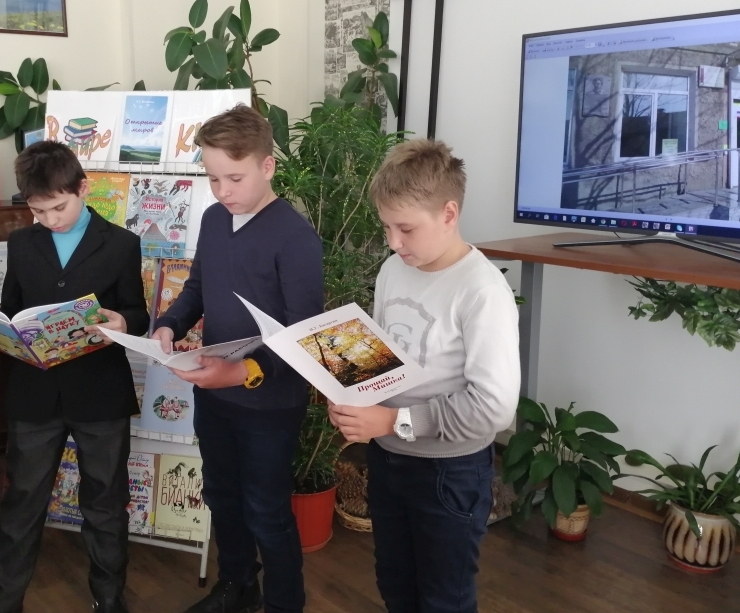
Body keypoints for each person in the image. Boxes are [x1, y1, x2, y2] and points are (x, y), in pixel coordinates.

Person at [0, 141, 149, 613]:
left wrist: (123, 322)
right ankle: (1, 601)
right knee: (22, 500)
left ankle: (109, 598)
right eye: (38, 211)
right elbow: (13, 311)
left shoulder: (121, 243)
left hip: (100, 392)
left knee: (105, 502)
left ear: (83, 188)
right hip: (35, 392)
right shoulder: (23, 242)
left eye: (58, 208)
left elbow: (137, 312)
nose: (50, 220)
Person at [328, 139, 520, 613]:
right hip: (388, 461)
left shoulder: (482, 291)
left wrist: (391, 421)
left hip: (448, 473)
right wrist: (348, 389)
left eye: (406, 228)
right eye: (386, 227)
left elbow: (494, 409)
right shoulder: (393, 270)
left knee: (443, 599)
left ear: (449, 213)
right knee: (395, 585)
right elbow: (382, 361)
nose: (393, 242)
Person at [152, 105, 324, 613]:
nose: (222, 191)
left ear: (267, 167)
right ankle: (237, 585)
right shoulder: (213, 219)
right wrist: (170, 323)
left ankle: (285, 603)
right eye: (212, 178)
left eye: (234, 178)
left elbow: (303, 335)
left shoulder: (295, 237)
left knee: (267, 511)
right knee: (222, 496)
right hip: (216, 395)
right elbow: (198, 287)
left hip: (269, 404)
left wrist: (242, 371)